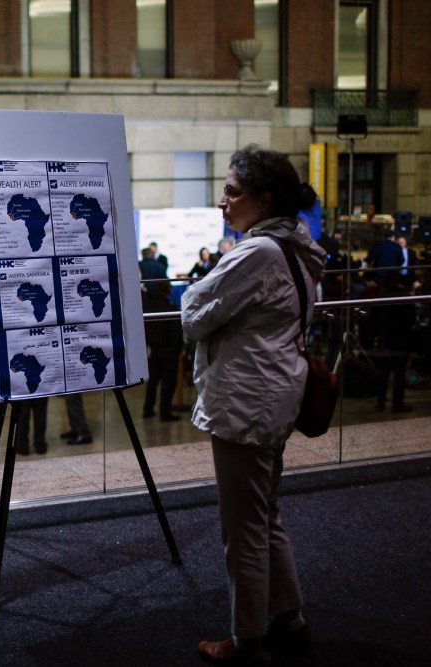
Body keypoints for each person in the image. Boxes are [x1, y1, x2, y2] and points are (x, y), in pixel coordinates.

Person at [180, 145, 325, 664]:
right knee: (265, 516)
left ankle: (247, 642)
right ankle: (290, 620)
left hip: (246, 404)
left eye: (232, 191)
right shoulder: (296, 247)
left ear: (264, 200)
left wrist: (196, 300)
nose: (223, 201)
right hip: (276, 396)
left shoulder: (258, 253)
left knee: (242, 527)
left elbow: (193, 312)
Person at [142, 281, 184, 422]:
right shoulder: (170, 307)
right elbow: (176, 332)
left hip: (154, 350)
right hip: (168, 352)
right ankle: (165, 412)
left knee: (152, 382)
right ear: (168, 290)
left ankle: (147, 410)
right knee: (168, 383)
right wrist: (178, 348)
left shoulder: (149, 306)